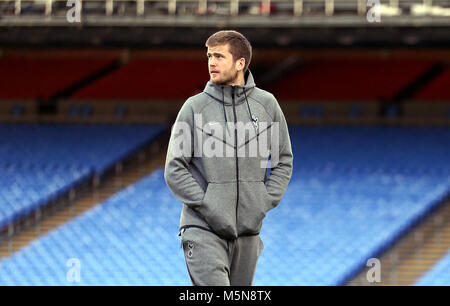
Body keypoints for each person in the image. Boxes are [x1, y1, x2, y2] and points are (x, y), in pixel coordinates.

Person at [164, 30, 293, 286]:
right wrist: (208, 204)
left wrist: (262, 201)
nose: (211, 62)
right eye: (209, 55)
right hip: (202, 229)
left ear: (240, 63)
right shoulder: (194, 107)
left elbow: (283, 161)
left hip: (248, 233)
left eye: (219, 56)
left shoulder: (267, 105)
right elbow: (174, 169)